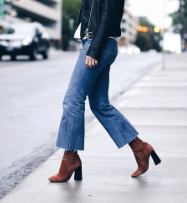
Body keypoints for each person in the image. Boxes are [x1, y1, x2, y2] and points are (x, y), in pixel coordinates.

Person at [48, 0, 161, 182]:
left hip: (98, 44)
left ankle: (70, 159)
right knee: (100, 105)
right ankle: (140, 148)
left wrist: (94, 49)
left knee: (72, 100)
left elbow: (108, 16)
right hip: (96, 42)